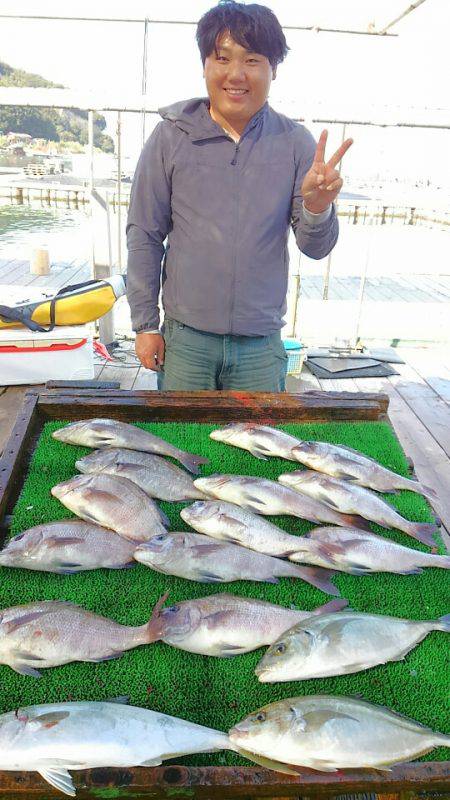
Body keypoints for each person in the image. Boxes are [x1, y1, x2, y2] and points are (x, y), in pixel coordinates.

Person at [126, 0, 352, 391]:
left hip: (260, 345)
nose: (236, 74)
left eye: (252, 60)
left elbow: (316, 248)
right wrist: (146, 324)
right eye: (223, 58)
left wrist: (317, 207)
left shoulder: (296, 143)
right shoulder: (170, 137)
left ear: (273, 69)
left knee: (256, 448)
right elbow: (144, 234)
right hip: (185, 341)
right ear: (204, 65)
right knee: (182, 444)